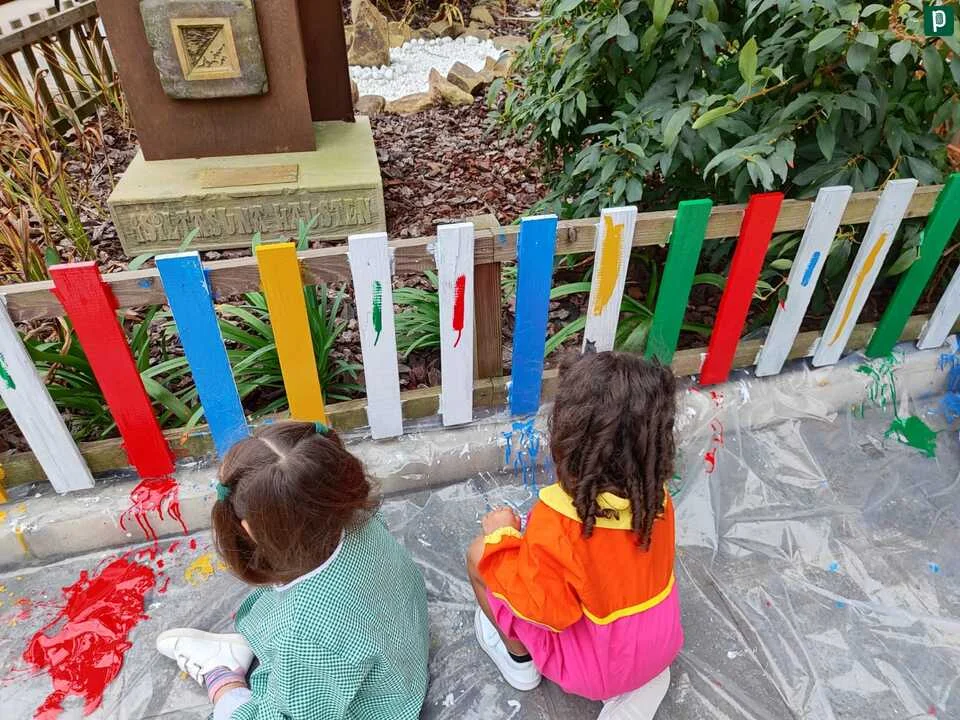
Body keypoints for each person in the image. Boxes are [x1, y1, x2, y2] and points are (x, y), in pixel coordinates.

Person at [156, 421, 429, 720]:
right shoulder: (360, 519)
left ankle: (222, 673)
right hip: (402, 659)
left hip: (377, 707)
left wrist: (227, 690)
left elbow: (297, 714)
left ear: (251, 529)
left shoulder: (302, 635)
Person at [466, 351, 683, 720]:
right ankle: (642, 681)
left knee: (478, 555)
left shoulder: (558, 524)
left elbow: (539, 609)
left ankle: (519, 662)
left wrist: (501, 535)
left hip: (594, 669)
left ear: (567, 437)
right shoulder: (656, 499)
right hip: (661, 644)